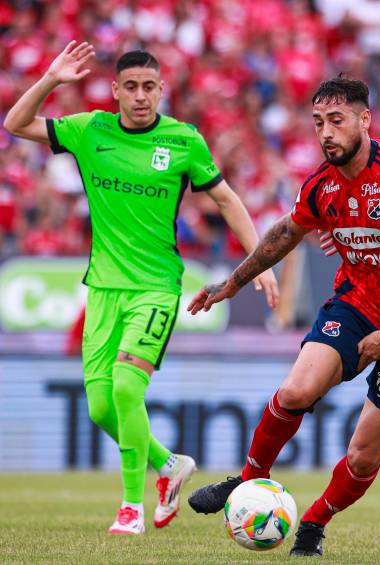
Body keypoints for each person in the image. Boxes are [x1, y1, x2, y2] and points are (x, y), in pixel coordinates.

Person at [3, 41, 279, 535]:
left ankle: (130, 507)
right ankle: (169, 465)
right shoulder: (91, 130)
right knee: (102, 407)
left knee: (128, 386)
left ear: (161, 90)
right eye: (130, 87)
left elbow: (227, 199)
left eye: (149, 87)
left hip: (156, 286)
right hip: (104, 289)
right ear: (115, 91)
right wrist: (50, 78)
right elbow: (15, 125)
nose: (140, 96)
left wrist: (259, 262)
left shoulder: (183, 140)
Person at [186, 76, 380, 557]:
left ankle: (311, 524)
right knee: (295, 391)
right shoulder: (321, 185)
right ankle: (248, 481)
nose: (326, 132)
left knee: (363, 454)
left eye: (337, 120)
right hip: (354, 305)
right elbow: (285, 235)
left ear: (364, 120)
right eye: (317, 123)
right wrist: (232, 283)